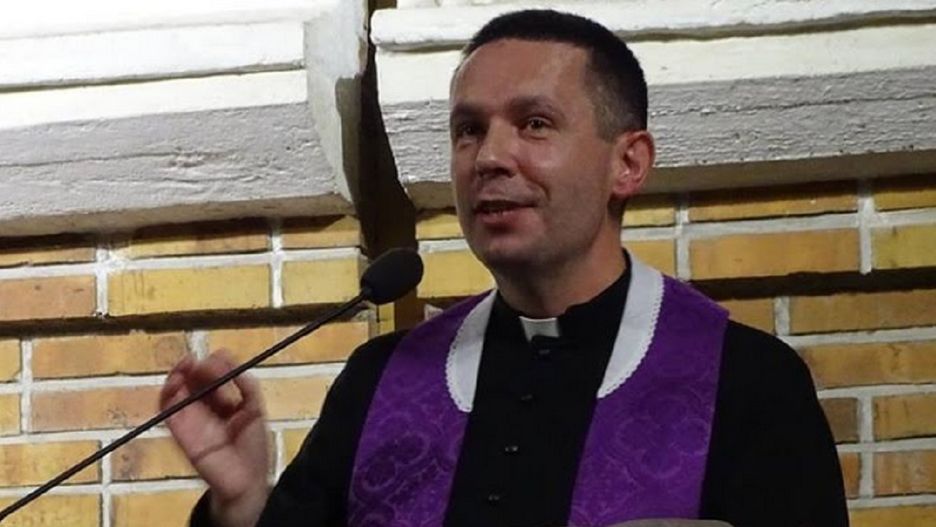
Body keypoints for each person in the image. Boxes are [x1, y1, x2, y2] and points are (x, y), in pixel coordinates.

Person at [161, 9, 849, 527]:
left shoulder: (747, 382)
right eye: (469, 130)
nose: (489, 157)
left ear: (628, 162)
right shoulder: (381, 380)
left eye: (535, 124)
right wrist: (241, 502)